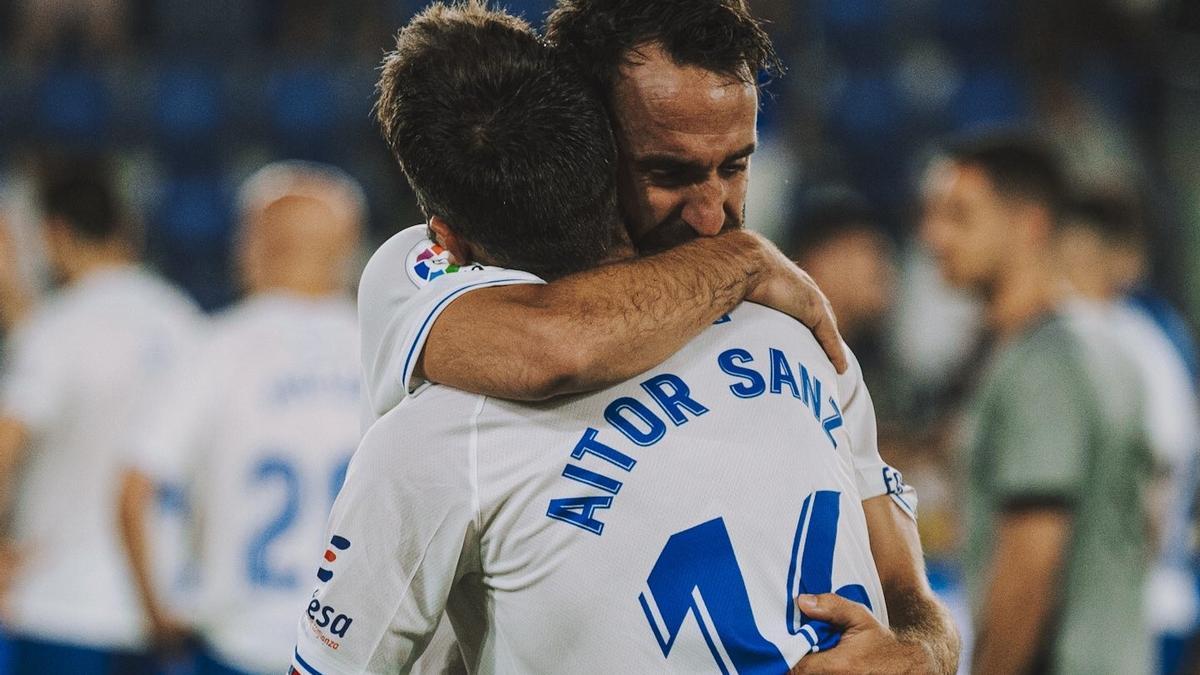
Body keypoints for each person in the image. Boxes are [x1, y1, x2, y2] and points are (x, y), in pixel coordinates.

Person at [293, 5, 941, 672]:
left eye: (737, 164)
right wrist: (745, 258)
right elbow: (552, 343)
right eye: (670, 172)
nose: (714, 212)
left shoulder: (798, 332)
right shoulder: (427, 276)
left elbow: (906, 589)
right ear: (594, 142)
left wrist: (924, 651)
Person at [920, 134, 1154, 674]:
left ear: (1028, 224)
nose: (934, 237)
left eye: (960, 216)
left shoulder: (1044, 363)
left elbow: (1030, 568)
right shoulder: (1104, 344)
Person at [121, 161, 365, 675]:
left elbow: (134, 492)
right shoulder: (391, 354)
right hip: (351, 648)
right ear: (349, 250)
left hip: (234, 645)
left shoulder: (216, 347)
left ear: (254, 245)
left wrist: (159, 621)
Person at [0, 158, 201, 673]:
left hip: (61, 606)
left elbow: (5, 443)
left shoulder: (57, 327)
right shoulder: (187, 323)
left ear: (53, 233)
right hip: (159, 602)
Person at [1058, 192, 1200, 669]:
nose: (1065, 278)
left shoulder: (1140, 344)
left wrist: (1116, 586)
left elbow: (1156, 485)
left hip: (1141, 607)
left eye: (1076, 262)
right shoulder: (1080, 338)